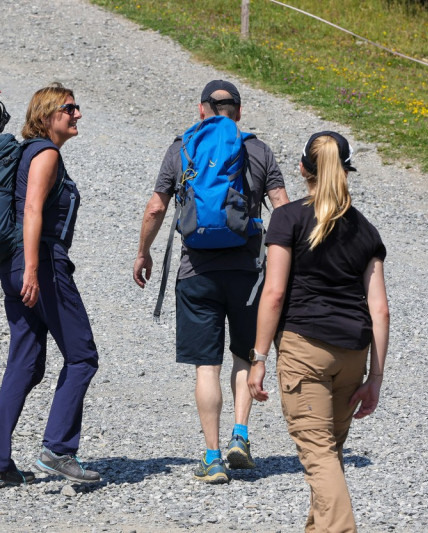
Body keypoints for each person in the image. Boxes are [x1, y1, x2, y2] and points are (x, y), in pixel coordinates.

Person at [133, 80, 289, 483]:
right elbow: (285, 211)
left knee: (207, 366)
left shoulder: (182, 148)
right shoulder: (257, 150)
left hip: (196, 273)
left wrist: (143, 252)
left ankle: (212, 456)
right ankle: (241, 435)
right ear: (238, 111)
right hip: (249, 274)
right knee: (244, 355)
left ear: (202, 109)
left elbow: (155, 208)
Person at [247, 131, 389, 532]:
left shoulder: (288, 217)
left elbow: (273, 293)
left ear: (303, 169)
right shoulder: (366, 231)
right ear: (346, 171)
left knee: (319, 456)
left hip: (304, 350)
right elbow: (379, 309)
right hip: (352, 356)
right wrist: (375, 377)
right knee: (327, 456)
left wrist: (257, 358)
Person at [0, 82, 101, 488]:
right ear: (49, 114)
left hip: (14, 264)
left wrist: (23, 269)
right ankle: (58, 450)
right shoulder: (46, 154)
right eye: (70, 108)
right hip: (40, 263)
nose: (77, 114)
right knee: (83, 356)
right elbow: (32, 209)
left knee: (25, 363)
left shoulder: (30, 154)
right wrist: (33, 269)